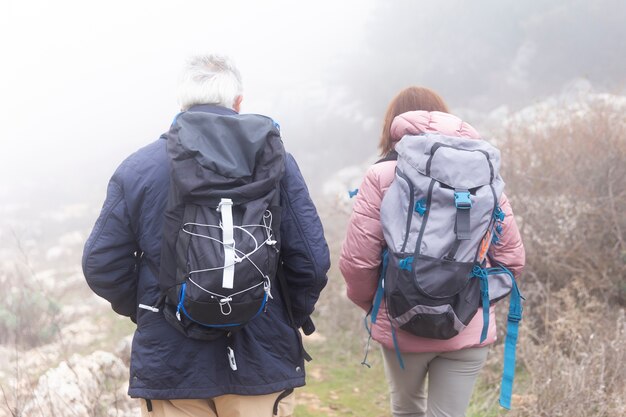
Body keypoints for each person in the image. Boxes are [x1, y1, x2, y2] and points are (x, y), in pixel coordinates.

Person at [82, 54, 330, 417]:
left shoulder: (140, 168)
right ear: (238, 101)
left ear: (182, 104)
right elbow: (311, 260)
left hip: (173, 362)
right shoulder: (276, 161)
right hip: (260, 359)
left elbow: (100, 263)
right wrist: (283, 314)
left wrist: (151, 307)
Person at [339, 86, 525, 417]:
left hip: (401, 322)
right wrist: (473, 303)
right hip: (468, 327)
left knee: (407, 410)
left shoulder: (383, 175)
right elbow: (511, 259)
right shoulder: (481, 176)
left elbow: (358, 262)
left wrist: (377, 305)